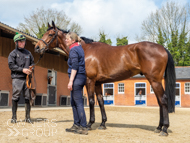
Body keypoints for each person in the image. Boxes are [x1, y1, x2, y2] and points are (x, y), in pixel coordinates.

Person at [8, 32, 34, 123]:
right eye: (20, 42)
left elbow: (32, 63)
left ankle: (27, 118)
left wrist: (31, 68)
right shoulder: (13, 54)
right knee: (16, 97)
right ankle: (14, 117)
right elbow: (11, 66)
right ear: (16, 43)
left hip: (27, 79)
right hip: (17, 78)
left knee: (28, 97)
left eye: (23, 41)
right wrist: (22, 70)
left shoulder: (28, 53)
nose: (22, 43)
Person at [65, 32, 88, 135]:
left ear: (73, 40)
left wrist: (71, 81)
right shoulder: (79, 48)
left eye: (68, 39)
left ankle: (83, 127)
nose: (66, 40)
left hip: (77, 78)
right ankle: (76, 124)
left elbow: (74, 66)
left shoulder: (73, 50)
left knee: (78, 103)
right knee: (74, 102)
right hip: (80, 77)